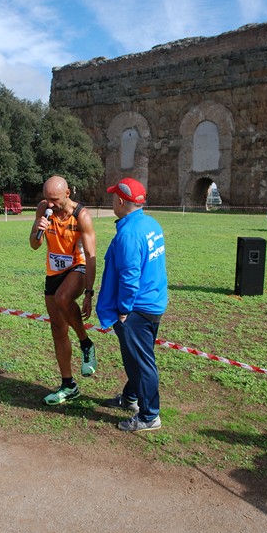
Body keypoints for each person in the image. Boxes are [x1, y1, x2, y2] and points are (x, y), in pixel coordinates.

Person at [96, 177, 168, 432]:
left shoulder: (129, 233)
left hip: (137, 308)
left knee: (141, 361)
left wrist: (124, 310)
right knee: (135, 356)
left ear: (121, 201)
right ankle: (131, 397)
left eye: (115, 196)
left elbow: (129, 277)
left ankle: (149, 416)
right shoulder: (151, 223)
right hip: (153, 302)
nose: (112, 200)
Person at [30, 175, 97, 405]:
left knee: (63, 297)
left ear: (67, 194)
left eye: (55, 200)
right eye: (47, 199)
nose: (50, 204)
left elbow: (90, 256)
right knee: (58, 329)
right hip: (53, 273)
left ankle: (86, 343)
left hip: (77, 267)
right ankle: (68, 384)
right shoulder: (43, 209)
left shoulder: (82, 216)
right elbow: (34, 244)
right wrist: (38, 229)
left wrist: (89, 292)